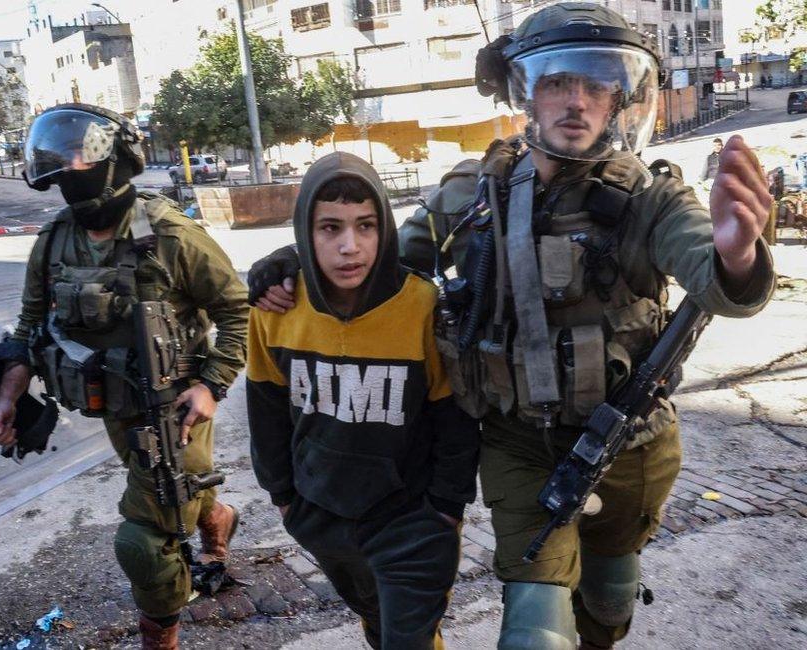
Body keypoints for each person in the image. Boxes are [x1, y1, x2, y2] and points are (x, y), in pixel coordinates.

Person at [246, 3, 776, 648]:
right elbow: (382, 267)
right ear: (527, 92)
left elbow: (714, 274)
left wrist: (737, 256)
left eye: (595, 86)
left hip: (630, 443)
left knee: (608, 599)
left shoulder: (651, 199)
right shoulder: (472, 193)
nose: (575, 102)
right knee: (532, 628)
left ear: (618, 101)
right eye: (557, 83)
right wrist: (293, 264)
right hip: (517, 441)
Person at [0, 103, 249, 649]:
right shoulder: (55, 241)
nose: (68, 169)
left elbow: (237, 309)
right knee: (174, 498)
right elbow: (28, 328)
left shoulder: (170, 234)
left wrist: (212, 384)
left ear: (115, 159)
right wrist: (7, 398)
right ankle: (216, 515)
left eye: (79, 154)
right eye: (59, 161)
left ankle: (161, 638)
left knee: (146, 542)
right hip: (113, 405)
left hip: (178, 406)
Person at [246, 153, 480, 649]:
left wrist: (445, 507)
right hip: (320, 514)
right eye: (330, 227)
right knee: (376, 618)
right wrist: (286, 499)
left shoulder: (419, 306)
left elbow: (453, 419)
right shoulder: (276, 310)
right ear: (305, 234)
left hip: (412, 520)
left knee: (409, 637)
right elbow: (266, 411)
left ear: (385, 230)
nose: (349, 247)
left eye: (366, 226)